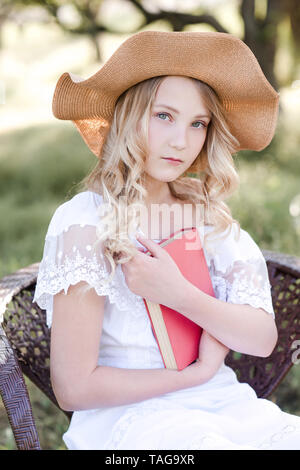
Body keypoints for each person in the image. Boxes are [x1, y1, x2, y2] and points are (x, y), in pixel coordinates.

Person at [33, 30, 300, 450]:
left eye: (198, 124)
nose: (182, 141)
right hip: (130, 417)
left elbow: (261, 338)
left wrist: (177, 293)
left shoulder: (210, 219)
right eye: (164, 116)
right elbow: (74, 387)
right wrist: (189, 376)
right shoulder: (85, 221)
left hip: (225, 405)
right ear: (126, 117)